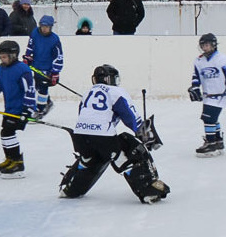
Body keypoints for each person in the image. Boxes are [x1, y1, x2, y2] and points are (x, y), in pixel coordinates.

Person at [59, 64, 168, 204]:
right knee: (130, 151)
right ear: (110, 79)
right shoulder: (117, 92)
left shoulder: (87, 93)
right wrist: (144, 134)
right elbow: (130, 116)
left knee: (90, 159)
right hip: (103, 138)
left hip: (80, 137)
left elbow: (83, 115)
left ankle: (71, 189)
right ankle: (148, 191)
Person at [0, 39, 36, 177]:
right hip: (9, 108)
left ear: (13, 55)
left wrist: (27, 110)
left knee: (7, 132)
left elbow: (30, 91)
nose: (2, 59)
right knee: (5, 133)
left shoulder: (23, 70)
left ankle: (18, 163)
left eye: (4, 57)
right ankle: (10, 158)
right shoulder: (1, 69)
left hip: (21, 110)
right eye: (0, 56)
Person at [188, 32, 226, 157]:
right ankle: (218, 141)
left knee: (208, 118)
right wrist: (195, 87)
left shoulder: (222, 59)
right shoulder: (199, 60)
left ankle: (211, 143)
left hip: (219, 95)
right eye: (202, 45)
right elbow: (196, 76)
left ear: (213, 45)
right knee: (213, 119)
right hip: (207, 95)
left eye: (207, 45)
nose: (204, 48)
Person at [24, 15, 64, 117]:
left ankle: (40, 110)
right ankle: (48, 102)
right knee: (37, 86)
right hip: (36, 66)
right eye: (42, 26)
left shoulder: (54, 39)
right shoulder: (35, 33)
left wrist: (55, 72)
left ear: (51, 27)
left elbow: (59, 56)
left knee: (42, 88)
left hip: (48, 69)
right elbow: (30, 46)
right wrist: (27, 57)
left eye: (47, 27)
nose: (44, 29)